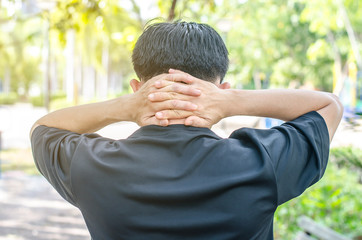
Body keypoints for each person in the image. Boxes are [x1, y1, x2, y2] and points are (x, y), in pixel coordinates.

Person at [30, 21, 343, 240]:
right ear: (221, 88)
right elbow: (329, 107)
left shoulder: (91, 165)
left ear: (138, 88)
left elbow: (43, 128)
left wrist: (126, 107)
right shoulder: (261, 163)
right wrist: (232, 101)